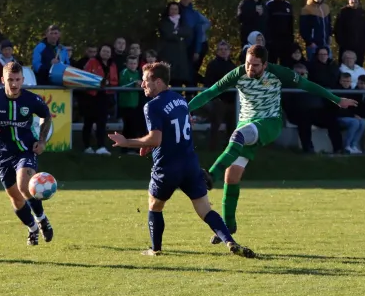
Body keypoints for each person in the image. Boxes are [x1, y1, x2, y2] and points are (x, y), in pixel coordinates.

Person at [188, 45, 358, 243]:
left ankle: (210, 175)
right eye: (248, 64)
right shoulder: (238, 73)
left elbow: (307, 85)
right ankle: (229, 225)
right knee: (232, 176)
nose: (250, 68)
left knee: (237, 136)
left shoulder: (279, 73)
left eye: (255, 65)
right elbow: (211, 92)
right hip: (247, 125)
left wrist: (336, 99)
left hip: (269, 123)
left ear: (265, 64)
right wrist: (185, 109)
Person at [107, 62, 255, 258]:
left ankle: (155, 249)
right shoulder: (180, 100)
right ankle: (230, 241)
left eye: (145, 81)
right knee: (204, 209)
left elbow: (156, 138)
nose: (142, 85)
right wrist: (150, 144)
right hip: (190, 164)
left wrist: (126, 142)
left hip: (167, 166)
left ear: (158, 82)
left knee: (155, 205)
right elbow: (173, 132)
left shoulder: (151, 106)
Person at [0, 62, 54, 246]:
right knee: (15, 198)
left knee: (24, 185)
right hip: (3, 154)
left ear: (22, 80)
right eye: (10, 80)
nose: (14, 84)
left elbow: (46, 115)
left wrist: (43, 140)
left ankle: (42, 218)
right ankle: (32, 228)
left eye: (17, 80)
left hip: (26, 150)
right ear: (2, 80)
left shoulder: (31, 100)